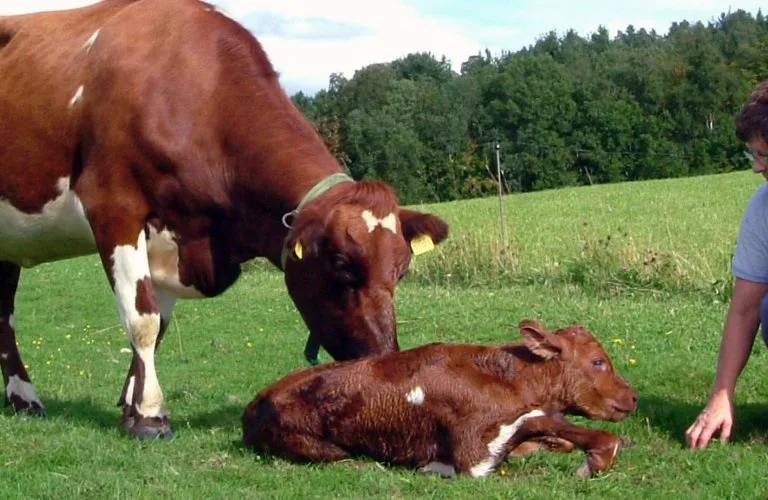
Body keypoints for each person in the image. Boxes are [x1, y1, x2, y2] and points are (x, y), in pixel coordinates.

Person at [686, 80, 768, 449]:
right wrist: (722, 394)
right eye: (753, 154)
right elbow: (745, 309)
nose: (756, 168)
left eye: (764, 155)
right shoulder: (763, 209)